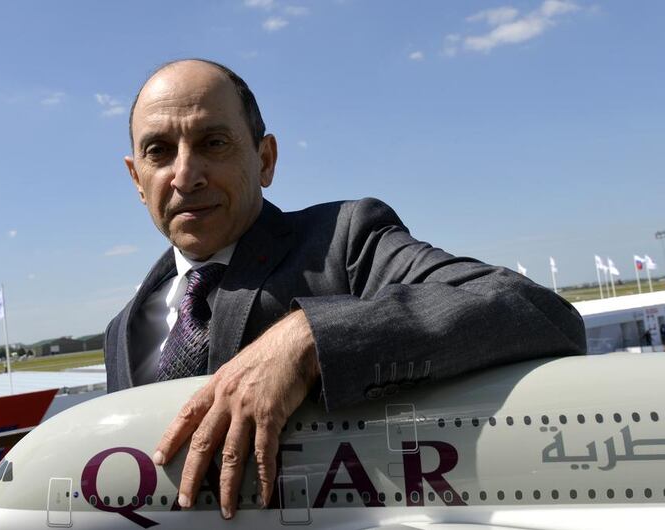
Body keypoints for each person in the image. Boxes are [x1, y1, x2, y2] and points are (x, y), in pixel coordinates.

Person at [104, 58, 586, 519]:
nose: (186, 175)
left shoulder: (343, 242)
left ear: (265, 159)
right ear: (136, 179)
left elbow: (537, 311)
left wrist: (310, 337)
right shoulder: (122, 333)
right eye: (159, 151)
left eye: (213, 143)